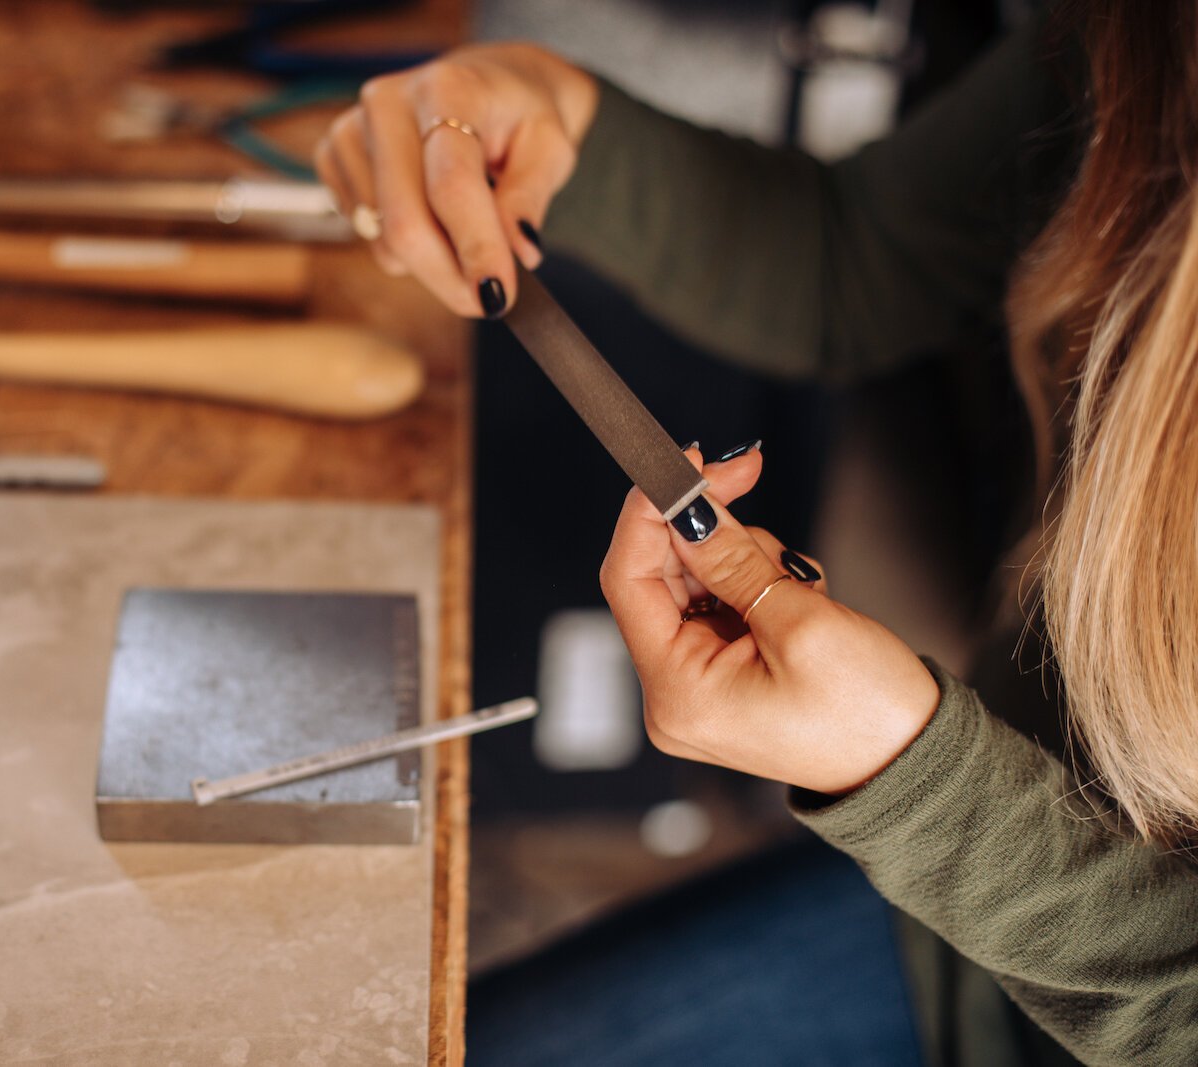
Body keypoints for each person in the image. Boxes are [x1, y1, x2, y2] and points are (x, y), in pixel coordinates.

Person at [316, 1, 1198, 1064]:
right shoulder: (1150, 31)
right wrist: (555, 111)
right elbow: (855, 255)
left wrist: (914, 778)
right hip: (961, 911)